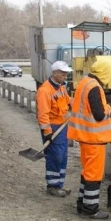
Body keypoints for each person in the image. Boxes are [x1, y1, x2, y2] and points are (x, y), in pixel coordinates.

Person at [67, 60, 111, 220]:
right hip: (94, 139)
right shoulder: (95, 87)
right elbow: (100, 115)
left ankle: (82, 203)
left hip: (85, 137)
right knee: (94, 175)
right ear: (105, 73)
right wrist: (109, 105)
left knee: (87, 173)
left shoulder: (85, 82)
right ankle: (90, 208)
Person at [36, 60, 72, 197]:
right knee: (54, 156)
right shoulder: (45, 90)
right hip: (53, 128)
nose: (65, 76)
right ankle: (52, 186)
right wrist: (47, 132)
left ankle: (59, 185)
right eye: (63, 73)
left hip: (62, 126)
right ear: (55, 73)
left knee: (62, 156)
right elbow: (43, 114)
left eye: (66, 73)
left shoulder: (61, 87)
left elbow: (68, 101)